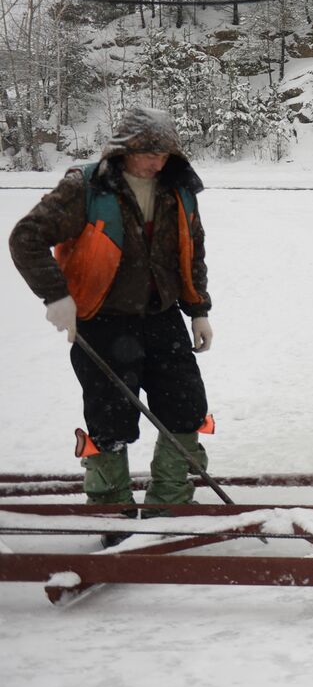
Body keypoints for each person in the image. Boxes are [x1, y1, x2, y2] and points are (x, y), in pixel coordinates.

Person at [9, 106, 215, 519]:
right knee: (111, 420)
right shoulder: (86, 187)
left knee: (186, 408)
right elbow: (26, 237)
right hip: (102, 322)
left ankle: (171, 504)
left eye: (165, 154)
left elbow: (191, 252)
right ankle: (111, 508)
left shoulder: (176, 189)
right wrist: (57, 297)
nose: (158, 162)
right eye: (149, 153)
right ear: (124, 149)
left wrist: (198, 310)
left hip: (162, 317)